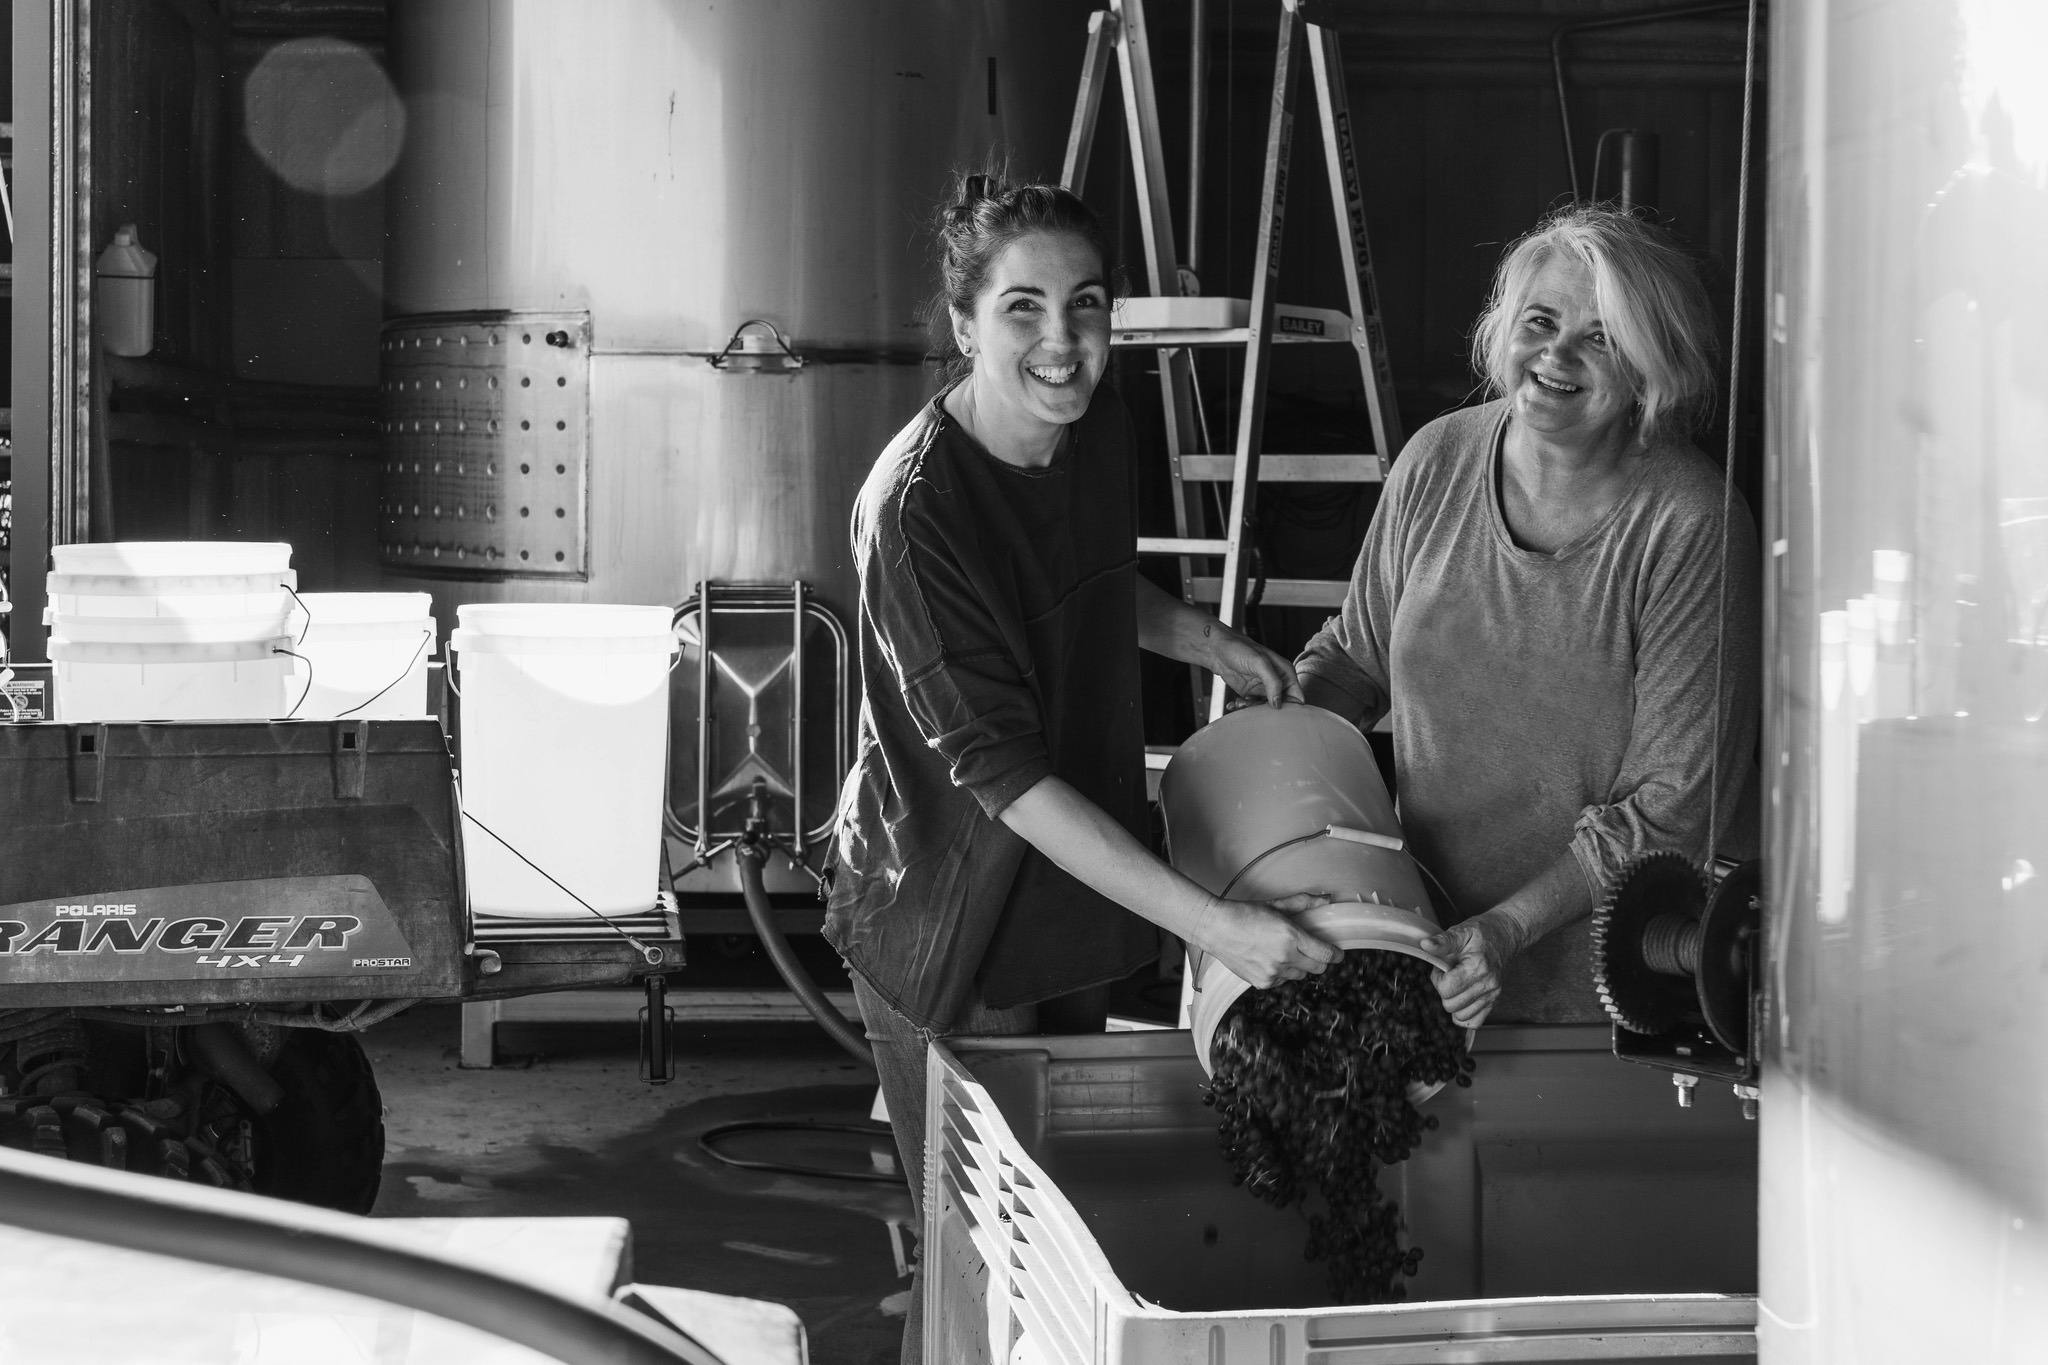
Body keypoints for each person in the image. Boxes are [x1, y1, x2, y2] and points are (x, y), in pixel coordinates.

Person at [823, 174, 1340, 1364]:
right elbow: (1008, 784)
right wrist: (1215, 927)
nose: (1061, 340)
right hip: (949, 921)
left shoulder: (1095, 425)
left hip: (1064, 899)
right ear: (963, 324)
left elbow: (1086, 581)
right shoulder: (915, 514)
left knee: (1058, 1259)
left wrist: (1201, 637)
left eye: (1086, 304)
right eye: (1022, 307)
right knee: (979, 1268)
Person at [1296, 203, 1761, 1030]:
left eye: (1602, 337)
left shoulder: (1692, 523)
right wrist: (1273, 742)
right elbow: (1354, 659)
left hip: (1612, 995)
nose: (1557, 355)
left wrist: (1507, 928)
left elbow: (1675, 807)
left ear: (1654, 368)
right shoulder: (1436, 459)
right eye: (1539, 322)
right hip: (1432, 959)